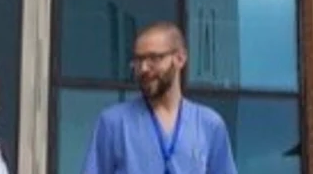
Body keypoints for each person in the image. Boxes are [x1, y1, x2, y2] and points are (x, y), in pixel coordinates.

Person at [81, 22, 237, 174]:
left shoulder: (209, 124)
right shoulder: (113, 123)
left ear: (180, 58)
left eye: (154, 58)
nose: (143, 68)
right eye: (138, 60)